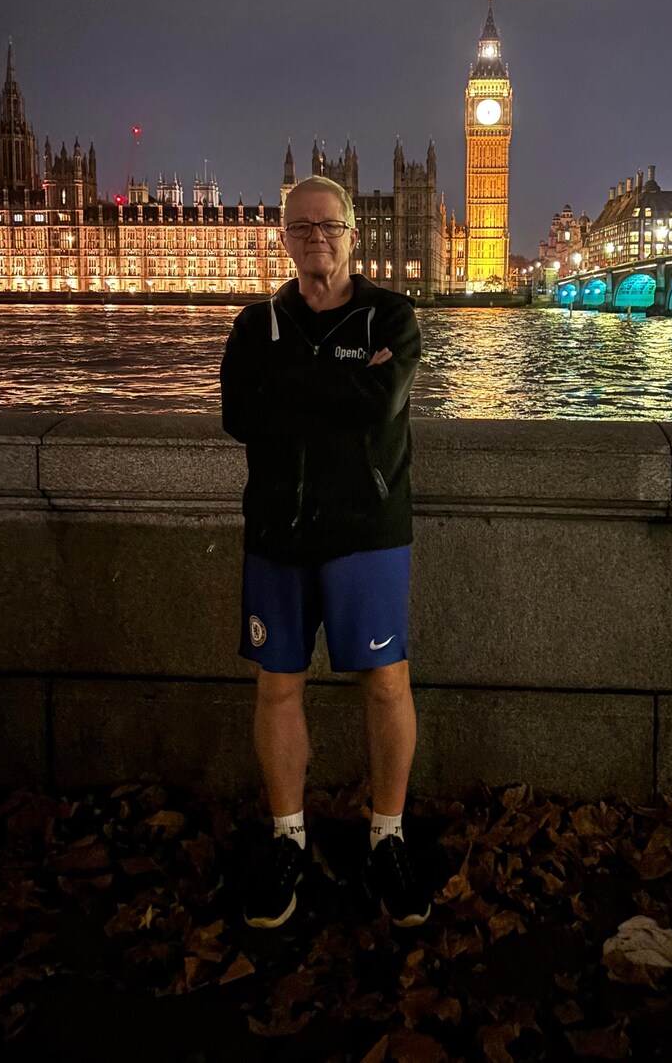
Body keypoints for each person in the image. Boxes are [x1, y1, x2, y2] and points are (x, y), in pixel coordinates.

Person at [220, 174, 430, 929]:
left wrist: (294, 392)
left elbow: (380, 403)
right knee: (277, 687)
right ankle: (287, 839)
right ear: (283, 239)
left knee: (385, 682)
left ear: (353, 233)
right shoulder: (256, 324)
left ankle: (388, 834)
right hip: (277, 531)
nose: (317, 239)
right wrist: (338, 383)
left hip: (364, 530)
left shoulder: (392, 315)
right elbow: (240, 415)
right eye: (301, 228)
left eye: (329, 226)